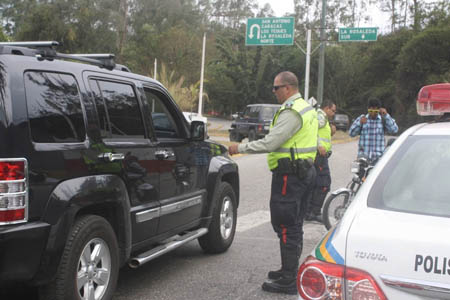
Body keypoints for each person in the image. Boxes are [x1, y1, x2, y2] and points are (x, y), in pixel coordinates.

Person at [228, 71, 317, 295]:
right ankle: (289, 270)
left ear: (287, 88)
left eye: (275, 88)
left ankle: (288, 279)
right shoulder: (306, 108)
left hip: (290, 175)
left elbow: (271, 142)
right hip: (303, 172)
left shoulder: (292, 111)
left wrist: (240, 147)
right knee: (294, 224)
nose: (274, 92)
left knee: (286, 224)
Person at [305, 100, 336, 223]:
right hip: (319, 156)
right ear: (327, 108)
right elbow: (310, 130)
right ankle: (314, 212)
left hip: (320, 156)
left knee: (315, 184)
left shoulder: (323, 118)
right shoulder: (320, 117)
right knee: (324, 184)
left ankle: (308, 212)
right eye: (333, 110)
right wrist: (319, 145)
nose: (334, 113)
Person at [349, 98, 398, 162]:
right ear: (368, 109)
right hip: (363, 158)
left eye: (375, 111)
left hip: (379, 159)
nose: (373, 113)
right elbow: (351, 133)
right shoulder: (362, 118)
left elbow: (394, 130)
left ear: (379, 110)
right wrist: (359, 123)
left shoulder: (383, 120)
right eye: (371, 110)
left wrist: (386, 115)